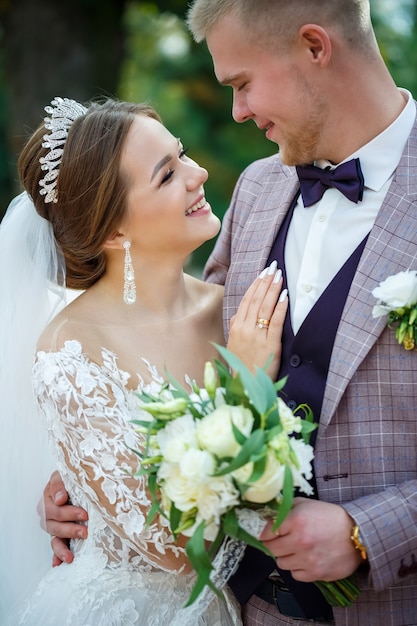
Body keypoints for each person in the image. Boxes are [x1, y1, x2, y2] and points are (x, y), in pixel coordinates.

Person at [41, 0, 417, 623]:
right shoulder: (258, 188)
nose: (238, 111)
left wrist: (365, 532)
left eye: (242, 83)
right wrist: (97, 483)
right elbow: (188, 373)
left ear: (315, 47)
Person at [0, 96, 289, 625]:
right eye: (166, 174)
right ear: (114, 232)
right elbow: (179, 548)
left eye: (183, 155)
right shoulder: (69, 353)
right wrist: (247, 383)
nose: (198, 173)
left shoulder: (239, 309)